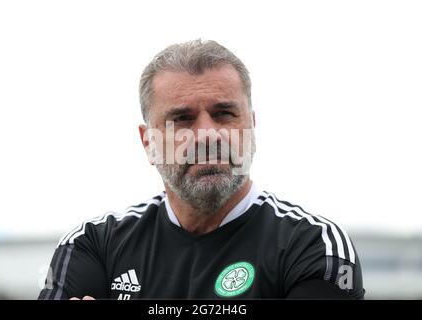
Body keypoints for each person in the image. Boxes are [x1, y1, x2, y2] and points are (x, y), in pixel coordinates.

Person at [38, 39, 365, 300]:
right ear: (148, 142)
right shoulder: (94, 244)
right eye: (182, 119)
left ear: (251, 126)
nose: (208, 134)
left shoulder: (314, 245)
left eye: (224, 113)